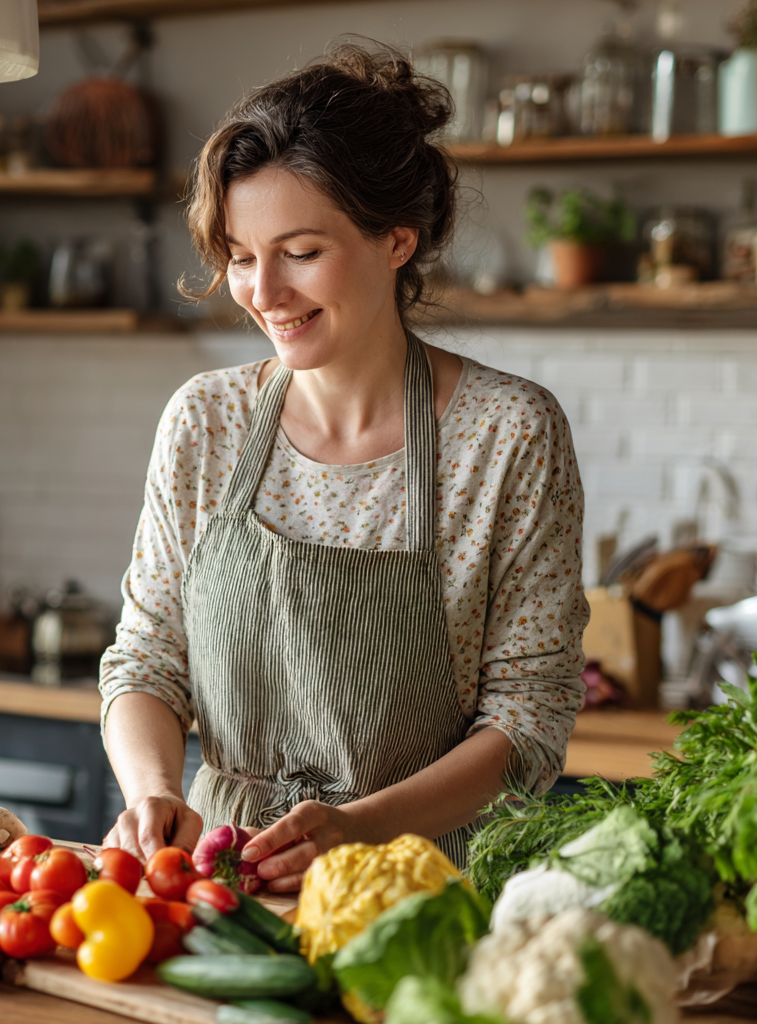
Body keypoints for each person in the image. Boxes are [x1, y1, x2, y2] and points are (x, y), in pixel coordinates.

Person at [99, 42, 589, 892]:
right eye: (241, 256)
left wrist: (357, 829)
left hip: (423, 893)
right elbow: (148, 658)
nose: (262, 292)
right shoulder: (205, 420)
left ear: (396, 240)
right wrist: (153, 792)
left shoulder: (507, 434)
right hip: (223, 887)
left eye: (299, 251)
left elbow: (531, 718)